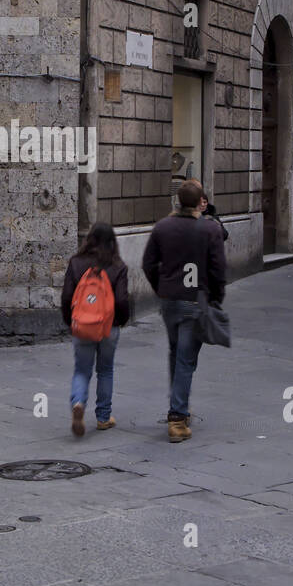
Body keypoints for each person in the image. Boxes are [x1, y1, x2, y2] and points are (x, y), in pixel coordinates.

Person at [142, 179, 226, 443]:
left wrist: (161, 289)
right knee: (186, 358)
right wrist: (216, 297)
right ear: (200, 202)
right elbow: (218, 270)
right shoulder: (209, 230)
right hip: (195, 300)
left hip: (170, 300)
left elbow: (148, 264)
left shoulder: (163, 227)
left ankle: (179, 404)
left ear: (178, 201)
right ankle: (178, 417)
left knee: (176, 351)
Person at [61, 223, 130, 435]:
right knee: (105, 370)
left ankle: (78, 403)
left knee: (82, 370)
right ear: (112, 242)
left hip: (82, 325)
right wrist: (120, 320)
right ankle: (103, 417)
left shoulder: (76, 263)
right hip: (109, 326)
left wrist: (70, 322)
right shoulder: (117, 266)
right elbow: (121, 300)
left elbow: (66, 297)